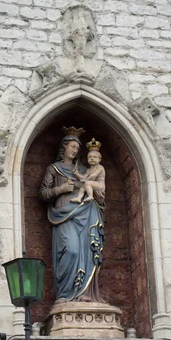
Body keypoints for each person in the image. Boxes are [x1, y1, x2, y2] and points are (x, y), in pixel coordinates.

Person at [40, 127, 105, 303]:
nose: (75, 150)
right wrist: (61, 189)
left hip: (86, 213)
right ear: (64, 147)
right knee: (72, 250)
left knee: (88, 253)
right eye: (72, 146)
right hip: (63, 214)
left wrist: (97, 190)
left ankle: (86, 295)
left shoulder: (84, 170)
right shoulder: (53, 169)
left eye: (77, 148)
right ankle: (66, 295)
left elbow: (97, 190)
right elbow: (44, 193)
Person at [71, 139, 105, 204]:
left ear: (99, 159)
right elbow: (83, 176)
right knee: (83, 187)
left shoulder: (100, 167)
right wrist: (77, 174)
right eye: (90, 157)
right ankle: (79, 198)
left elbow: (93, 176)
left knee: (87, 183)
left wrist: (85, 180)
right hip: (91, 184)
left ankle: (90, 196)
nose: (92, 158)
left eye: (95, 157)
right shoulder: (89, 169)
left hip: (100, 186)